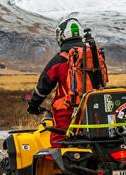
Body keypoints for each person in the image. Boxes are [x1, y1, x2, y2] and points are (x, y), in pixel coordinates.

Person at [27, 18, 84, 147]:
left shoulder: (60, 59)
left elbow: (44, 85)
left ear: (62, 36)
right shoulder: (95, 57)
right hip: (94, 108)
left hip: (68, 109)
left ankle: (60, 167)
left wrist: (33, 105)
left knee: (59, 144)